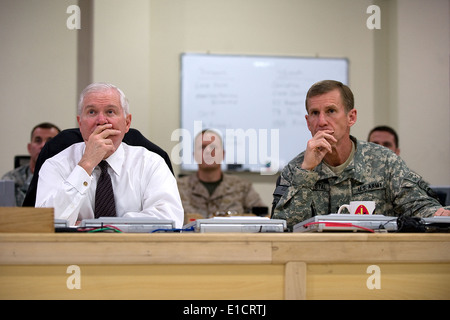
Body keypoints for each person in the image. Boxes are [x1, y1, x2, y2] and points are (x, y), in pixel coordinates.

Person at [272, 80, 449, 230]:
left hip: (375, 261)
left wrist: (438, 213)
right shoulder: (296, 169)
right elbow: (283, 229)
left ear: (351, 117)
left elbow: (418, 206)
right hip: (317, 264)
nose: (322, 122)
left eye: (331, 111)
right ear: (308, 122)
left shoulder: (384, 162)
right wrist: (306, 173)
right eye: (314, 113)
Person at [35, 82, 184, 227]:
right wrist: (85, 165)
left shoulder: (151, 164)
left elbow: (169, 220)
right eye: (92, 112)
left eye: (110, 112)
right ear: (80, 124)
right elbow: (44, 223)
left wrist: (99, 227)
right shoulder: (55, 165)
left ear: (127, 123)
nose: (101, 121)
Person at [177, 129, 266, 219]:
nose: (208, 151)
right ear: (194, 155)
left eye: (213, 147)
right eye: (203, 147)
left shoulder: (242, 187)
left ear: (223, 154)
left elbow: (263, 217)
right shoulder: (178, 188)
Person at [2, 122, 60, 206]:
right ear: (29, 148)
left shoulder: (69, 179)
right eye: (38, 140)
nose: (43, 145)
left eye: (50, 141)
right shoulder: (10, 180)